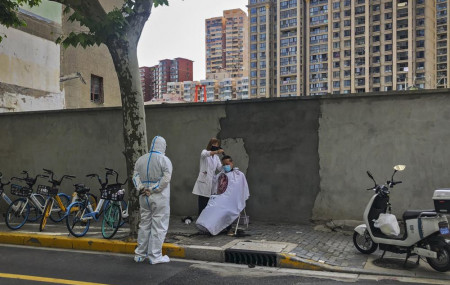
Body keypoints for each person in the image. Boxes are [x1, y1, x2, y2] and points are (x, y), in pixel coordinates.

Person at [132, 136, 173, 264]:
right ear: (163, 146)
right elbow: (166, 179)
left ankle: (139, 254)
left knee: (144, 225)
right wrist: (153, 188)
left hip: (144, 197)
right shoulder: (164, 160)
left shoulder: (140, 160)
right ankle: (155, 256)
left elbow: (135, 177)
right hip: (159, 197)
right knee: (159, 226)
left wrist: (143, 188)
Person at [196, 155, 250, 236]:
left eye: (227, 164)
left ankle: (228, 229)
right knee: (210, 207)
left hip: (232, 200)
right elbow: (215, 186)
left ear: (232, 163)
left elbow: (242, 188)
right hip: (220, 198)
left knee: (225, 210)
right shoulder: (221, 174)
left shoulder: (238, 175)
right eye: (223, 164)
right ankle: (206, 226)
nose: (225, 166)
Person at [192, 138, 224, 215]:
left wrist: (225, 165)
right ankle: (200, 218)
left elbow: (219, 168)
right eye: (214, 144)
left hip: (212, 180)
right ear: (210, 144)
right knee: (203, 200)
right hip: (204, 179)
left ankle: (206, 219)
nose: (215, 146)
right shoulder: (204, 152)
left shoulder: (216, 157)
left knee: (210, 201)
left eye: (217, 145)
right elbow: (205, 154)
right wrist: (216, 151)